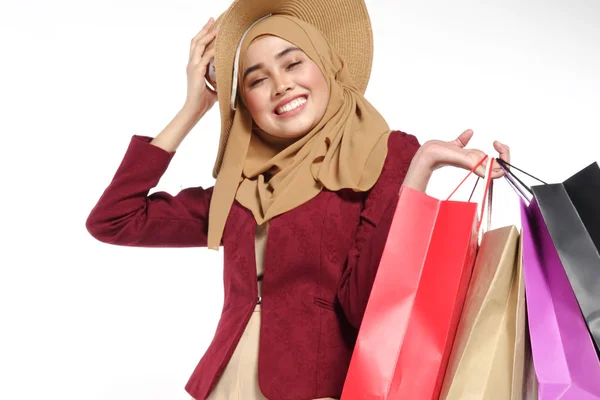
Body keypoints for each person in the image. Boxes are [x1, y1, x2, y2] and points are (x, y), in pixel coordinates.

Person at [85, 0, 510, 399]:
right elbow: (114, 220)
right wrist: (194, 108)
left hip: (316, 388)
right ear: (246, 105)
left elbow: (368, 306)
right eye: (256, 79)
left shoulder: (385, 158)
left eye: (293, 63)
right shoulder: (238, 191)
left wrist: (421, 169)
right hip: (223, 383)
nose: (281, 84)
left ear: (327, 66)